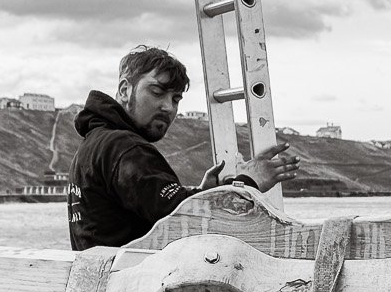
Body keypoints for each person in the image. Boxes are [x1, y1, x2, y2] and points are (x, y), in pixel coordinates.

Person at [67, 43, 297, 249]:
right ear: (125, 90)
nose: (168, 107)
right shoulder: (125, 149)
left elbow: (161, 210)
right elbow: (189, 225)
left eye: (176, 99)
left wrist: (201, 194)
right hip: (134, 290)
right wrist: (248, 182)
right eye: (157, 92)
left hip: (105, 286)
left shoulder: (95, 144)